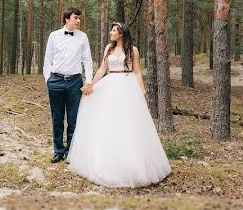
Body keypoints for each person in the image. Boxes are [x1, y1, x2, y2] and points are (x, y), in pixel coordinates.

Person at [67, 22, 171, 188]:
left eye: (114, 30)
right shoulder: (108, 48)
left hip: (126, 84)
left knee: (127, 123)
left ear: (121, 33)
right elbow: (102, 69)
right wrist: (91, 85)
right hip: (109, 84)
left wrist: (142, 90)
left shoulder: (133, 50)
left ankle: (131, 164)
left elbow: (137, 71)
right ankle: (106, 160)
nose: (111, 32)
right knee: (107, 121)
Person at [42, 7, 93, 163]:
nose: (78, 21)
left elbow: (87, 60)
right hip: (55, 81)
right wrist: (48, 80)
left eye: (79, 18)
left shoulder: (83, 37)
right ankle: (58, 151)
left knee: (73, 118)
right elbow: (48, 59)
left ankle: (71, 152)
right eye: (75, 18)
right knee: (57, 117)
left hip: (74, 82)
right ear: (67, 19)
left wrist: (89, 80)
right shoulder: (54, 36)